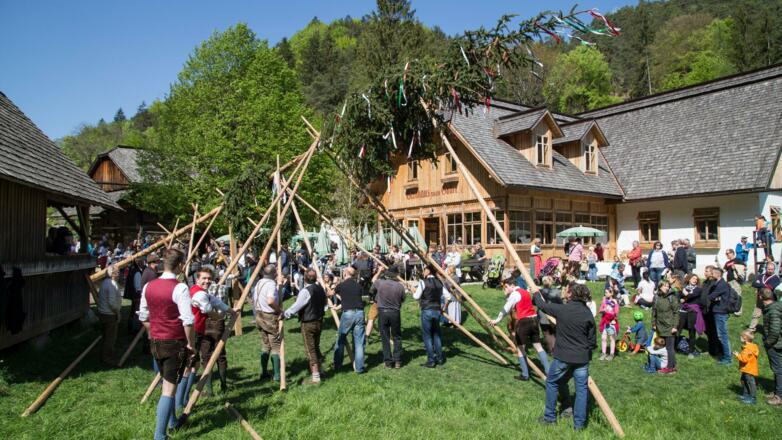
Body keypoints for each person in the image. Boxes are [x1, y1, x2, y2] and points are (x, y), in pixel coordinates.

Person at [137, 248, 195, 440]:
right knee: (169, 390)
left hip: (155, 342)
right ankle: (160, 435)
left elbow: (143, 316)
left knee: (167, 383)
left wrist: (153, 331)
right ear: (180, 265)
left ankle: (172, 422)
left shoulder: (149, 286)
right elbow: (188, 321)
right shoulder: (180, 288)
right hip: (174, 343)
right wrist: (190, 344)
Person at [533, 283, 596, 431]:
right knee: (581, 391)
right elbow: (592, 342)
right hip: (582, 359)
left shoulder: (562, 309)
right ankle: (579, 426)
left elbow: (542, 305)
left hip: (563, 357)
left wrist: (536, 293)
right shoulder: (588, 314)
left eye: (567, 290)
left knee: (552, 382)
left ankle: (549, 418)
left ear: (571, 294)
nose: (565, 292)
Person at [490, 276, 550, 380]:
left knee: (520, 349)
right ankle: (548, 372)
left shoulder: (515, 294)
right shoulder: (525, 291)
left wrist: (497, 320)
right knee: (538, 346)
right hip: (534, 320)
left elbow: (506, 309)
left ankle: (525, 374)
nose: (505, 289)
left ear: (512, 285)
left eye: (506, 287)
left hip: (524, 322)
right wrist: (507, 294)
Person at [188, 267, 235, 395]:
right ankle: (186, 393)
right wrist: (221, 318)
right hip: (194, 331)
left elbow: (217, 302)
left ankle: (213, 389)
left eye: (209, 278)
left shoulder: (202, 292)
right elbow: (208, 310)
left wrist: (232, 311)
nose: (207, 281)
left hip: (199, 329)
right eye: (204, 278)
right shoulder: (199, 294)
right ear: (197, 279)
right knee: (193, 361)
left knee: (208, 356)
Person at [282, 269, 327, 385]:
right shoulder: (321, 289)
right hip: (319, 321)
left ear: (305, 278)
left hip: (308, 323)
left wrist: (285, 314)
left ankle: (316, 377)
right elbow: (325, 304)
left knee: (310, 349)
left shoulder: (305, 291)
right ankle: (321, 371)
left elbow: (297, 306)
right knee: (316, 347)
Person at [413, 264, 452, 368]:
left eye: (425, 269)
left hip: (427, 311)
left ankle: (431, 360)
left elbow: (416, 296)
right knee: (436, 335)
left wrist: (413, 291)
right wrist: (443, 308)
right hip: (437, 311)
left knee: (427, 336)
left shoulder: (423, 282)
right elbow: (449, 297)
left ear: (429, 271)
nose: (423, 271)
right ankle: (440, 358)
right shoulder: (439, 282)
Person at [252, 265, 284, 381]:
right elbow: (270, 301)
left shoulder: (259, 282)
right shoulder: (270, 284)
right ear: (274, 274)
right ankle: (277, 376)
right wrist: (279, 311)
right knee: (275, 345)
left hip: (259, 315)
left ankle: (264, 373)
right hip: (269, 317)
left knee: (265, 345)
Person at [371, 266, 407, 368]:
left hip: (383, 312)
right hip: (395, 312)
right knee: (397, 336)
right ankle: (397, 361)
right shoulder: (400, 286)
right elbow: (403, 299)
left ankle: (388, 361)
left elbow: (372, 288)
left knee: (385, 337)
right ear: (396, 275)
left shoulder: (380, 283)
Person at [333, 267, 366, 374]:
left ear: (345, 273)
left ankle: (337, 365)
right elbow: (352, 298)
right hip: (360, 313)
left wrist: (331, 289)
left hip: (348, 314)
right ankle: (360, 368)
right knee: (359, 342)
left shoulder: (341, 285)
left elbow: (330, 293)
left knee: (340, 339)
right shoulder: (358, 286)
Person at [760, 288, 782, 405]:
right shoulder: (775, 307)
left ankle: (779, 396)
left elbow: (774, 331)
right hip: (777, 343)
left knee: (778, 370)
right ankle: (777, 391)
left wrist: (768, 343)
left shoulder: (773, 310)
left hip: (776, 344)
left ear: (760, 297)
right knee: (777, 369)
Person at [652, 280, 679, 373]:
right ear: (660, 287)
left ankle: (670, 367)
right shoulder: (656, 297)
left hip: (670, 327)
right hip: (660, 326)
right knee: (662, 347)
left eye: (668, 286)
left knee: (669, 348)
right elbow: (654, 311)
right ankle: (670, 364)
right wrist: (653, 323)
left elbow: (676, 313)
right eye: (665, 286)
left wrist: (675, 326)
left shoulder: (672, 298)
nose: (667, 288)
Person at [97, 265, 122, 365]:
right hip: (110, 315)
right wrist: (117, 313)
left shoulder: (105, 283)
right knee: (110, 338)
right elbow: (112, 303)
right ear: (112, 274)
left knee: (105, 336)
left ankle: (104, 355)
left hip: (104, 313)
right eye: (117, 272)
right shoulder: (111, 284)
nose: (119, 274)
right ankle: (108, 358)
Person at [708, 267, 733, 365]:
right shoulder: (719, 284)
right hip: (719, 311)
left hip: (721, 312)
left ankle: (728, 358)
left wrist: (714, 297)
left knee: (722, 335)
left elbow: (711, 296)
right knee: (722, 335)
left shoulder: (721, 285)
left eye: (712, 273)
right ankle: (726, 355)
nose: (711, 274)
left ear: (718, 274)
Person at [679, 274, 705, 358]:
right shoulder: (685, 288)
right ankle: (674, 347)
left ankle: (691, 351)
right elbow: (680, 297)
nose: (695, 280)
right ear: (689, 279)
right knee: (678, 329)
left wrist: (684, 294)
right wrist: (682, 297)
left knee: (692, 331)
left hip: (693, 312)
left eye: (696, 279)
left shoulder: (698, 289)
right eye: (693, 278)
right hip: (683, 311)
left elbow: (691, 295)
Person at [750, 262, 781, 331]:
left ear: (774, 270)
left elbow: (770, 287)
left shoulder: (776, 278)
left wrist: (760, 284)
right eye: (769, 269)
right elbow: (754, 283)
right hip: (760, 299)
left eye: (772, 269)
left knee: (769, 316)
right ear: (766, 268)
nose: (770, 271)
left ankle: (768, 331)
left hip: (770, 301)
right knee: (755, 315)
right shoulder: (761, 276)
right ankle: (751, 329)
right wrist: (764, 285)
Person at [537, 276, 562, 353]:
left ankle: (552, 350)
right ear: (551, 282)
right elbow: (560, 303)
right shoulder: (556, 291)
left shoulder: (539, 292)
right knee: (555, 332)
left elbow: (534, 302)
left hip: (543, 314)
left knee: (547, 333)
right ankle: (557, 349)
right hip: (554, 314)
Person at [734, 329, 759, 404]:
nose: (740, 337)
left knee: (750, 383)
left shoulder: (748, 349)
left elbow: (744, 359)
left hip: (749, 369)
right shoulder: (751, 346)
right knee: (744, 380)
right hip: (747, 369)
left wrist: (738, 355)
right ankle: (746, 394)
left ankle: (753, 398)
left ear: (745, 338)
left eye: (741, 336)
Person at [723, 249, 746, 314]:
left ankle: (738, 311)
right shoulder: (727, 263)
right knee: (731, 295)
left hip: (736, 280)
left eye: (728, 253)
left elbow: (744, 268)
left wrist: (736, 267)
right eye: (726, 254)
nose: (727, 255)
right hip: (729, 281)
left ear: (732, 253)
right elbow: (724, 270)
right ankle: (732, 309)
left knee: (737, 295)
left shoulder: (738, 260)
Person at [124, 257, 144, 334]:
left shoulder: (133, 270)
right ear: (139, 263)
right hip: (137, 296)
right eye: (142, 261)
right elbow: (138, 287)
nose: (143, 263)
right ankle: (134, 329)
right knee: (136, 313)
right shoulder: (137, 272)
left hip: (134, 295)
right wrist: (140, 296)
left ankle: (131, 327)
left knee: (133, 312)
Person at [599, 288, 619, 361]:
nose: (605, 294)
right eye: (605, 292)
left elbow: (616, 312)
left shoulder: (614, 302)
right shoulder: (604, 301)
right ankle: (603, 353)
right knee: (603, 338)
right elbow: (600, 310)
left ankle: (611, 354)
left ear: (611, 293)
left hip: (611, 323)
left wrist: (615, 304)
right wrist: (603, 310)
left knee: (611, 338)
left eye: (607, 292)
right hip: (604, 322)